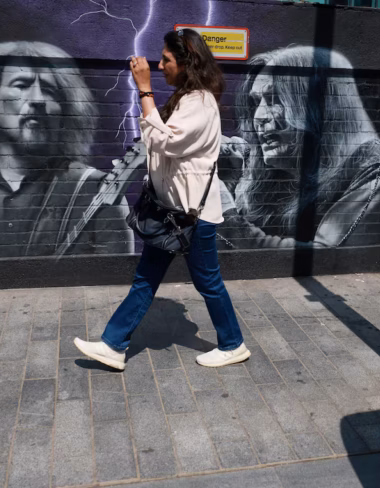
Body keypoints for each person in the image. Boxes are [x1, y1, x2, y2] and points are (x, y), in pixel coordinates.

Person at [73, 29, 250, 370]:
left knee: (208, 282)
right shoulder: (187, 99)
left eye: (167, 59)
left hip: (192, 217)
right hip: (171, 212)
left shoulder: (200, 102)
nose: (159, 65)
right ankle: (113, 345)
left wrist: (144, 90)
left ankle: (233, 344)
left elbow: (165, 143)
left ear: (187, 64)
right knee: (147, 278)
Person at [0, 41, 133, 261]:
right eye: (21, 85)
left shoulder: (99, 191)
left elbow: (112, 277)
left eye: (49, 90)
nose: (37, 100)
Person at [217, 46, 380, 249]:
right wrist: (231, 183)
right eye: (256, 102)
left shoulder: (372, 169)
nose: (258, 117)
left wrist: (225, 210)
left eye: (275, 99)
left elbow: (323, 257)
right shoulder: (274, 175)